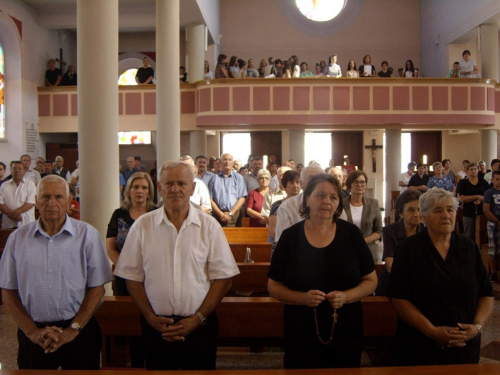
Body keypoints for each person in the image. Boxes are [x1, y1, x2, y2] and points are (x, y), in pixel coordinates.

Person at [114, 161, 239, 370]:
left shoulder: (209, 226)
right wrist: (150, 317)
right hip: (156, 326)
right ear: (160, 187)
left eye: (181, 183)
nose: (175, 189)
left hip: (200, 325)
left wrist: (197, 319)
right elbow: (132, 277)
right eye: (168, 183)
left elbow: (224, 278)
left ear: (192, 188)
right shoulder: (143, 226)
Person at [0, 175, 112, 370]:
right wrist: (32, 332)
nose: (52, 203)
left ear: (69, 201)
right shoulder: (18, 239)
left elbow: (97, 288)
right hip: (33, 333)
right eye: (45, 197)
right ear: (36, 200)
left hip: (79, 331)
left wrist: (72, 329)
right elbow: (8, 291)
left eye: (59, 197)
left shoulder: (87, 235)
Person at [268, 174, 377, 369]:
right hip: (301, 327)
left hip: (346, 327)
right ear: (307, 199)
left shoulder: (351, 234)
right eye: (320, 195)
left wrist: (346, 296)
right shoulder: (290, 237)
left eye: (333, 197)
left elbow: (371, 280)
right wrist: (302, 298)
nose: (327, 201)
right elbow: (273, 286)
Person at [389, 188, 493, 366]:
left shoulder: (468, 247)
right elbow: (398, 299)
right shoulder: (409, 249)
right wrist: (432, 332)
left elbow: (486, 294)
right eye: (438, 210)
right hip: (420, 347)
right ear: (424, 217)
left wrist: (476, 328)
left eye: (450, 210)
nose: (446, 215)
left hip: (464, 347)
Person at [375, 190, 423, 296]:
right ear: (401, 213)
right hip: (394, 282)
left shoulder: (426, 231)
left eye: (419, 210)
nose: (417, 214)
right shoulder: (390, 230)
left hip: (419, 283)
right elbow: (389, 264)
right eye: (411, 210)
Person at [340, 170, 383, 261]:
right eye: (356, 182)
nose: (359, 185)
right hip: (346, 251)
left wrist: (364, 241)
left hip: (368, 250)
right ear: (349, 184)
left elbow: (379, 231)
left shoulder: (373, 204)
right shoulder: (341, 204)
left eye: (362, 182)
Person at [209, 153, 248, 227]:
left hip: (234, 215)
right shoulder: (214, 178)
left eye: (229, 160)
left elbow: (242, 198)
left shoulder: (239, 178)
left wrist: (230, 213)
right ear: (220, 162)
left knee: (235, 238)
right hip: (218, 215)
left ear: (233, 163)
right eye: (225, 159)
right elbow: (210, 199)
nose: (227, 162)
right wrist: (221, 214)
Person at [456, 162, 489, 241]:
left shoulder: (483, 182)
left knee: (481, 235)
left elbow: (488, 196)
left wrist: (480, 199)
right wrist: (477, 196)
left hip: (482, 211)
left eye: (475, 169)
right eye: (471, 169)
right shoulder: (463, 182)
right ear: (467, 171)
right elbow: (462, 198)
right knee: (468, 235)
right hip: (468, 212)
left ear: (478, 170)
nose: (473, 171)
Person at [0, 161, 36, 229]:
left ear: (24, 171)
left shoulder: (30, 184)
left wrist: (14, 213)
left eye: (20, 169)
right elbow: (1, 202)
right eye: (15, 168)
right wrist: (11, 214)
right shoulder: (4, 185)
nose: (17, 171)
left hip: (26, 223)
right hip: (9, 223)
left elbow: (31, 202)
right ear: (11, 170)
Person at [268, 170, 300, 244]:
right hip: (281, 244)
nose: (295, 185)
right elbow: (273, 231)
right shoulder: (277, 206)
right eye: (291, 182)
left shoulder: (304, 205)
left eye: (297, 182)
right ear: (285, 185)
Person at [483, 170, 500, 281]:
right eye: (497, 179)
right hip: (494, 224)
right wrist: (497, 221)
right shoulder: (489, 192)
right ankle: (493, 272)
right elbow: (486, 210)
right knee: (493, 249)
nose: (499, 182)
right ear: (492, 180)